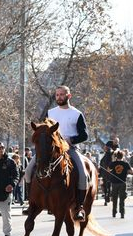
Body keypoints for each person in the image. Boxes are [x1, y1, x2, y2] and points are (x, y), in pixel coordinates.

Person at [24, 86, 90, 221]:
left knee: (83, 174)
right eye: (57, 95)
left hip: (69, 149)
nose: (59, 97)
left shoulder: (77, 114)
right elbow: (43, 130)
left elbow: (85, 135)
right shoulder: (50, 112)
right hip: (51, 149)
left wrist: (71, 139)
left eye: (62, 94)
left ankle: (79, 207)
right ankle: (30, 203)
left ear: (68, 96)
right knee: (28, 170)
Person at [109, 151, 133, 218]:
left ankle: (114, 213)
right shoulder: (125, 163)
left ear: (116, 156)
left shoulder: (113, 163)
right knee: (122, 199)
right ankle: (122, 213)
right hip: (122, 182)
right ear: (123, 156)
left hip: (114, 183)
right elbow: (131, 171)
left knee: (114, 198)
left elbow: (108, 170)